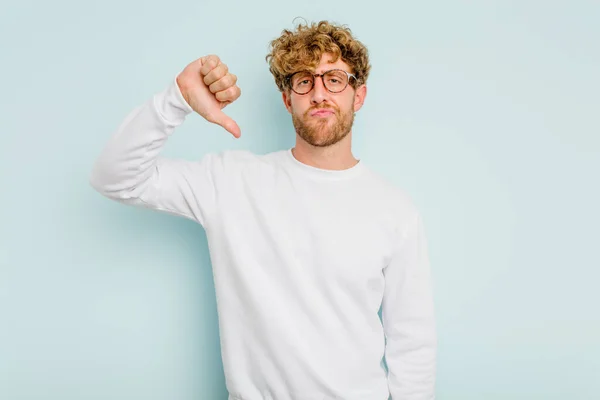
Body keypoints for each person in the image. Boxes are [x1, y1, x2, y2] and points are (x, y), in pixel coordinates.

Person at [90, 20, 436, 400]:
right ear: (288, 99)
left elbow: (412, 344)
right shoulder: (231, 181)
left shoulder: (394, 209)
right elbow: (115, 177)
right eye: (304, 81)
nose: (319, 93)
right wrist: (176, 99)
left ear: (359, 95)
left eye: (334, 79)